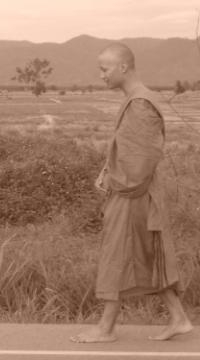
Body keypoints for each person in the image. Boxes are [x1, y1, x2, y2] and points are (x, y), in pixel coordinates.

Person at [70, 43, 192, 343]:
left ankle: (106, 328)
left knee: (117, 253)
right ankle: (179, 318)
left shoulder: (140, 104)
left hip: (133, 195)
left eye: (104, 69)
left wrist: (115, 183)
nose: (101, 75)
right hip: (134, 192)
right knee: (145, 254)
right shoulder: (137, 100)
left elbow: (140, 163)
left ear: (123, 67)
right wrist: (107, 171)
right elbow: (127, 151)